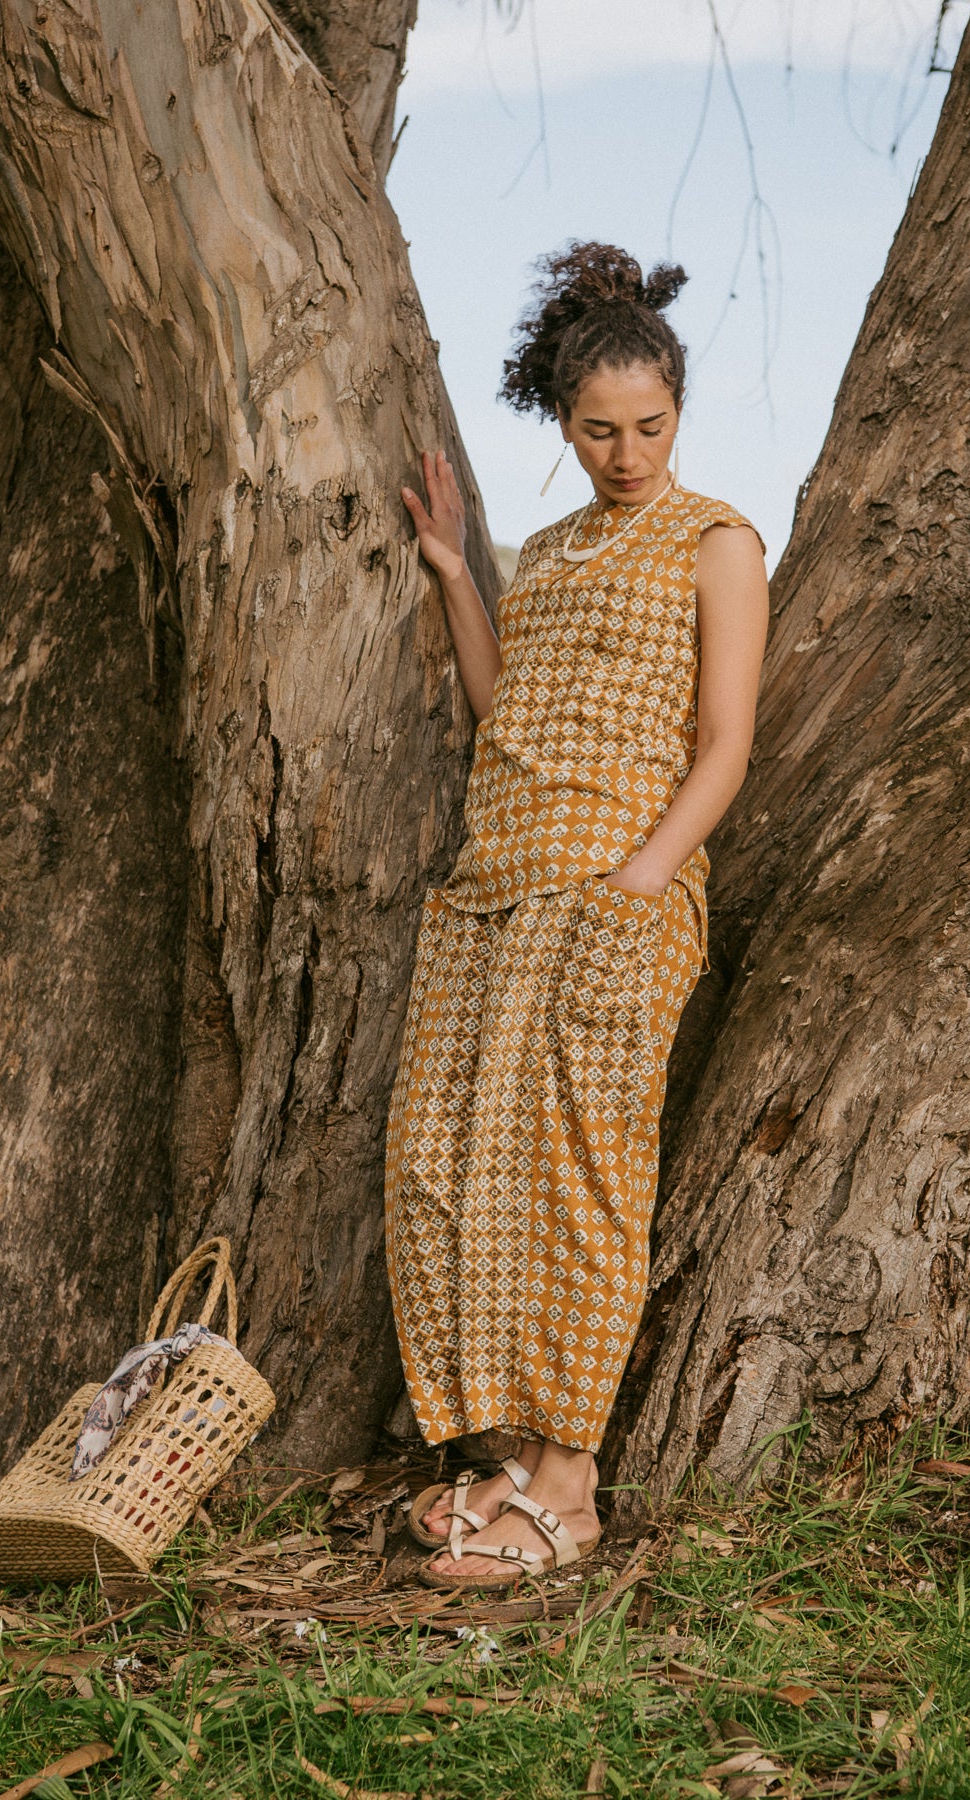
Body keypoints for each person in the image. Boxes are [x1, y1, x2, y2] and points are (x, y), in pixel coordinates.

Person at [384, 241, 769, 1592]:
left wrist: (641, 881)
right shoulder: (546, 553)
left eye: (649, 426)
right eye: (599, 430)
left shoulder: (717, 540)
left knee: (582, 1175)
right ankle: (495, 1459)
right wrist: (451, 574)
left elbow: (724, 742)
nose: (626, 453)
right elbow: (509, 713)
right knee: (448, 1167)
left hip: (618, 887)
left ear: (679, 404)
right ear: (564, 421)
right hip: (495, 885)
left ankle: (573, 1486)